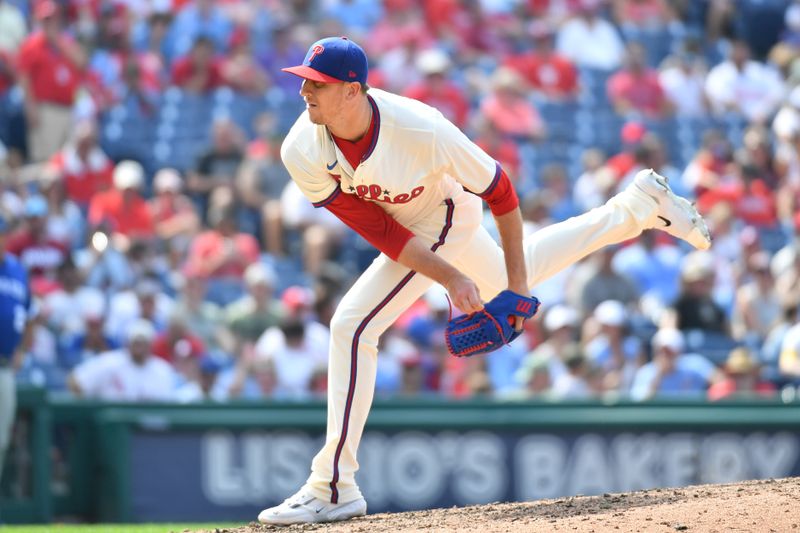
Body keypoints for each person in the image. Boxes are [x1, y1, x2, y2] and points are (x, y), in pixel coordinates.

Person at [259, 36, 711, 525]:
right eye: (305, 81)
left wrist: (509, 291)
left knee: (352, 325)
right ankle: (636, 208)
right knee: (502, 276)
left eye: (318, 84)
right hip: (406, 228)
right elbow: (380, 230)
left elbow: (502, 193)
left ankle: (333, 485)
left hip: (451, 212)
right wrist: (476, 281)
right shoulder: (301, 146)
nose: (305, 92)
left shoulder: (421, 128)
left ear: (353, 91)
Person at [0, 215, 32, 486]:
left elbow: (27, 313)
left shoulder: (17, 270)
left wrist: (21, 348)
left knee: (1, 441)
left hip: (5, 366)